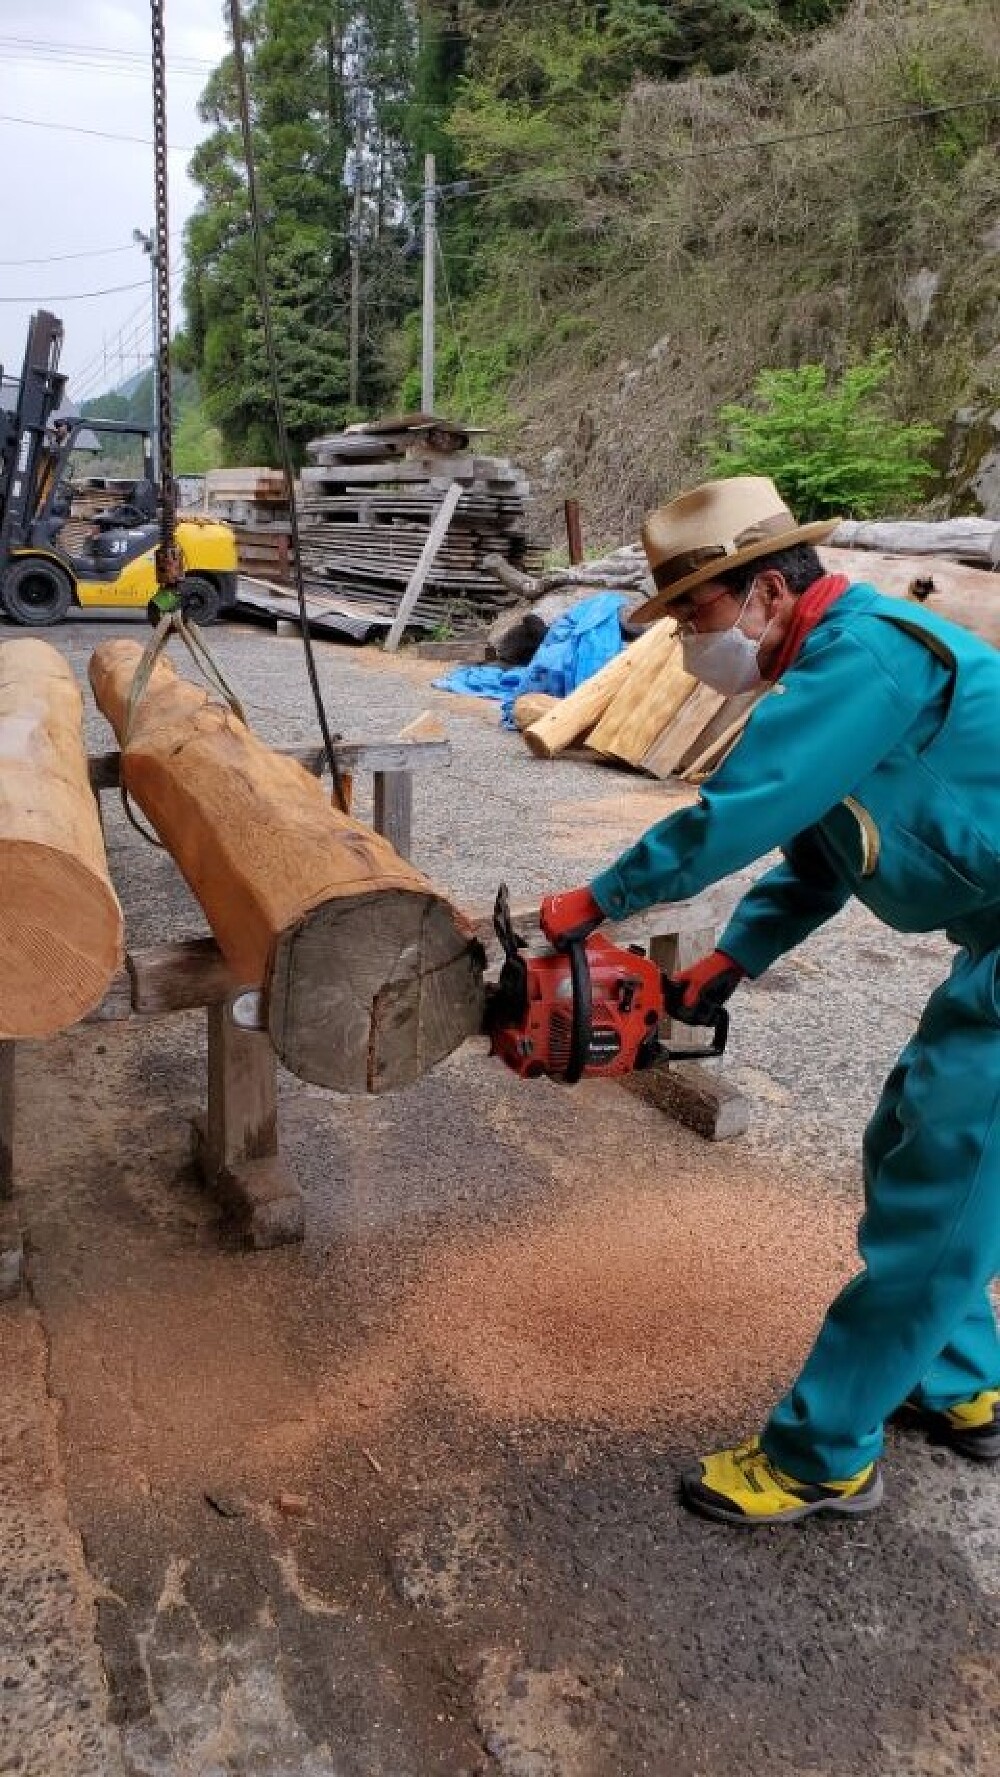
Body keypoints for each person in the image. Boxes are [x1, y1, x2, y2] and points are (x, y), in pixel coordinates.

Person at [539, 474, 1000, 1527]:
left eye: (694, 615)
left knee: (943, 1183)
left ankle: (819, 1456)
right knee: (909, 1147)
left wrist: (594, 903)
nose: (687, 643)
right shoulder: (832, 671)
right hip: (992, 938)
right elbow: (819, 854)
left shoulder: (864, 657)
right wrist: (730, 961)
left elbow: (737, 815)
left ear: (766, 594)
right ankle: (962, 1379)